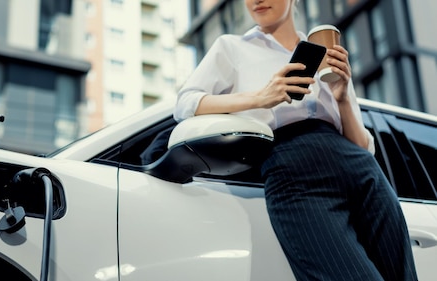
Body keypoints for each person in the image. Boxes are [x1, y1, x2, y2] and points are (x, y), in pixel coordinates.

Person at [173, 0, 418, 280]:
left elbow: (363, 147)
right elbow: (185, 104)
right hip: (296, 172)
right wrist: (261, 97)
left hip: (362, 171)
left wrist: (342, 95)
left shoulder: (325, 53)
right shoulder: (231, 47)